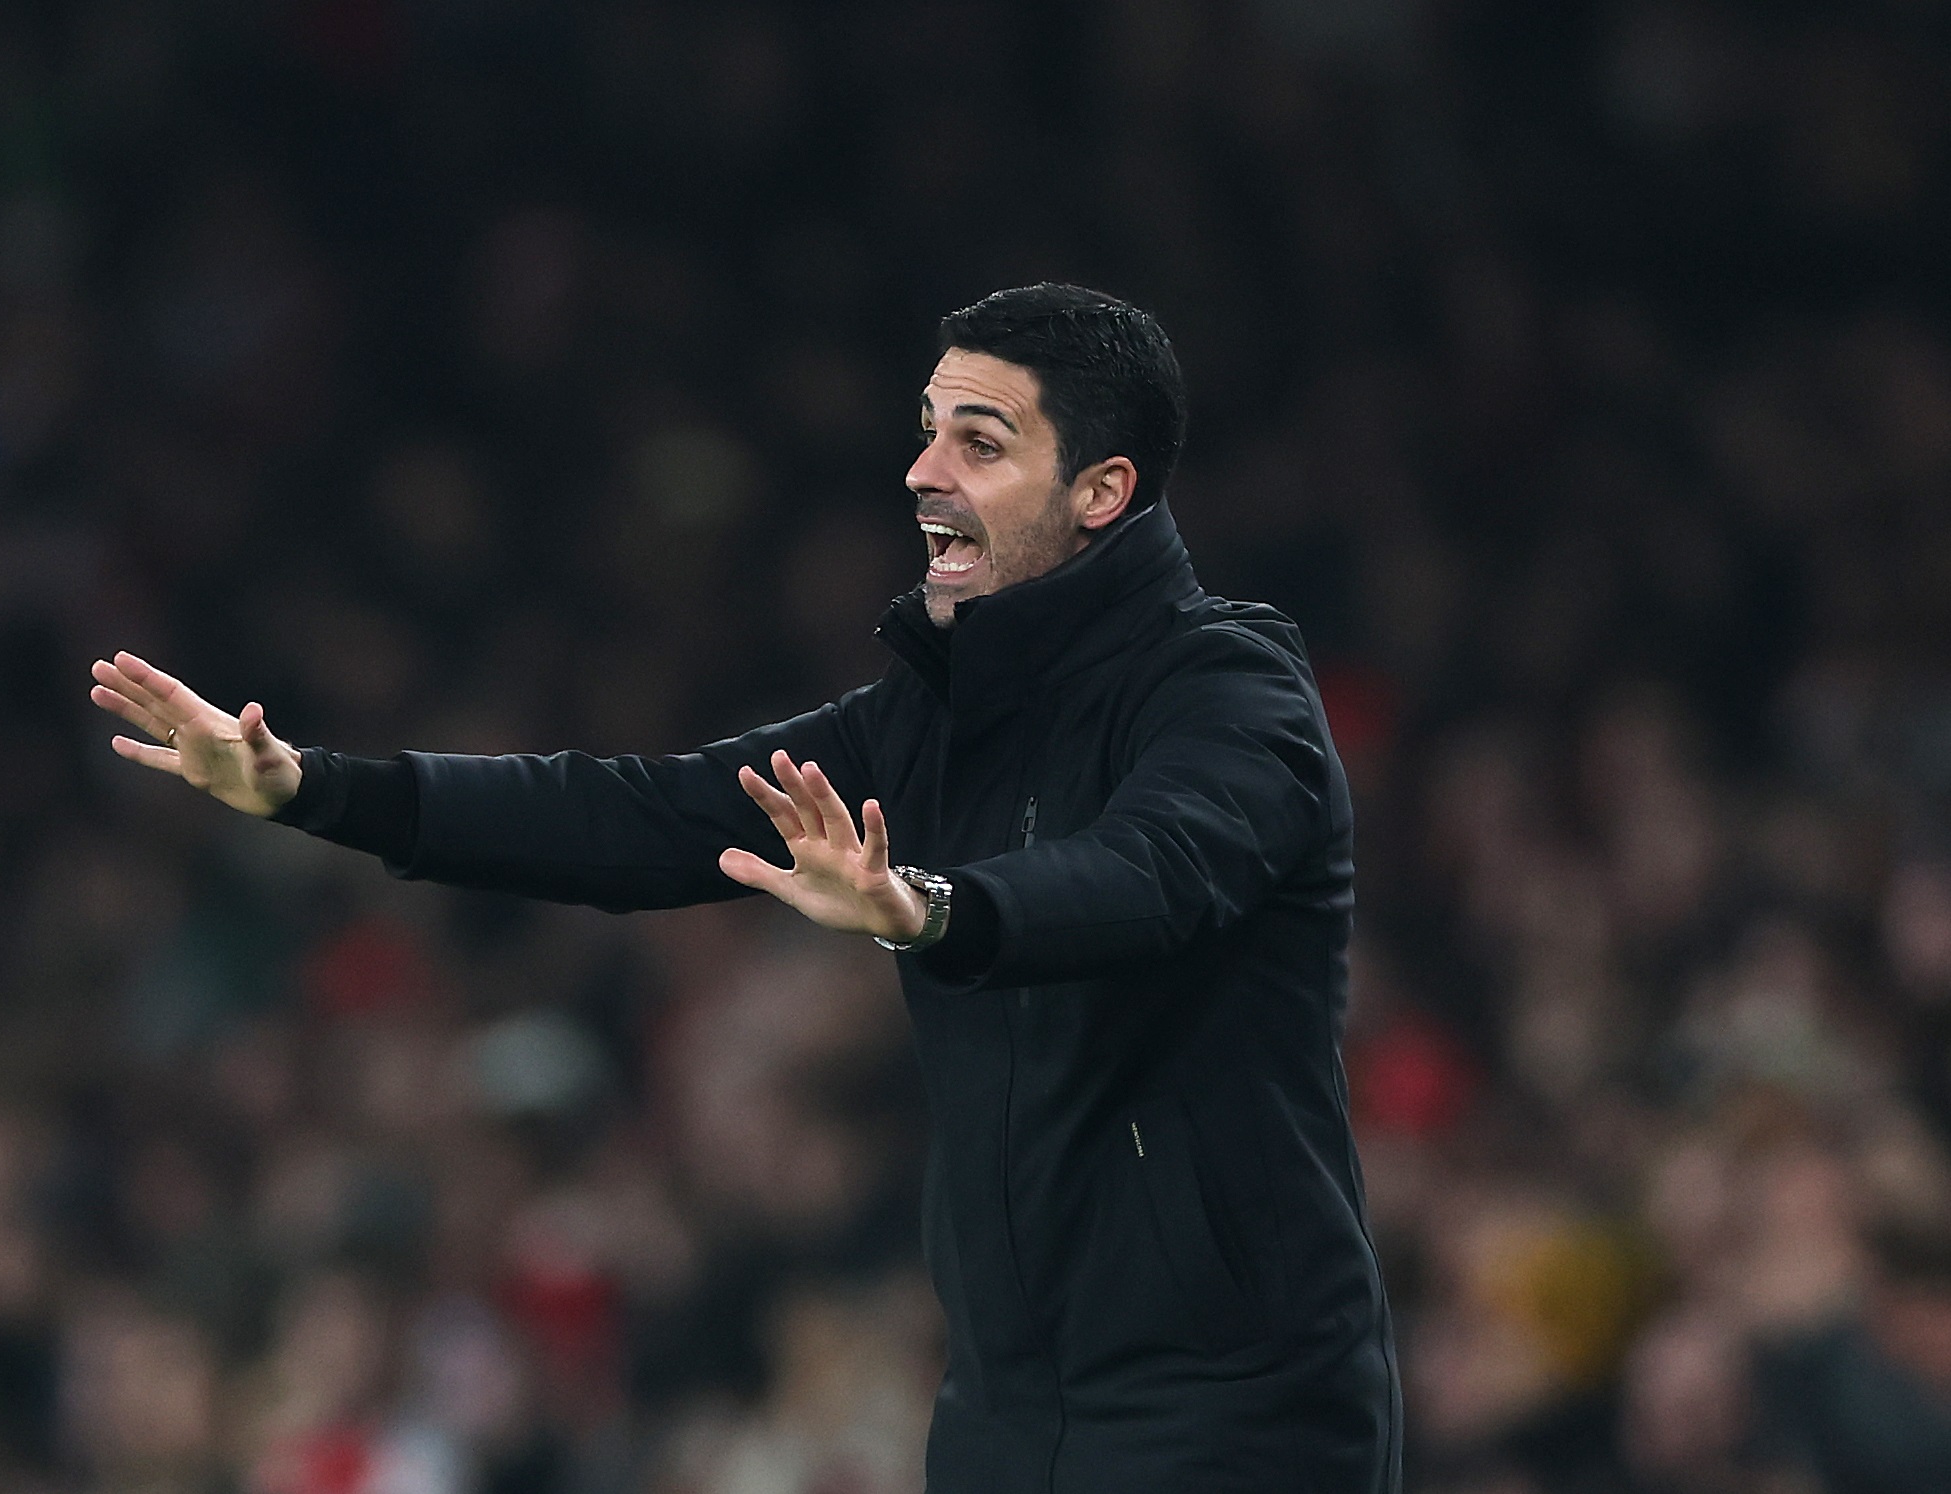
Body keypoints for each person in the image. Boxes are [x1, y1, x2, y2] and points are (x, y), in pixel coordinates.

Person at [89, 284, 1401, 1493]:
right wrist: (314, 786)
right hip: (1010, 1412)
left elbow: (1151, 873)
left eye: (980, 443)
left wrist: (935, 907)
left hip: (1239, 1409)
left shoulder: (1232, 690)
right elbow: (643, 815)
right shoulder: (927, 725)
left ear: (1103, 488)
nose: (923, 472)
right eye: (928, 430)